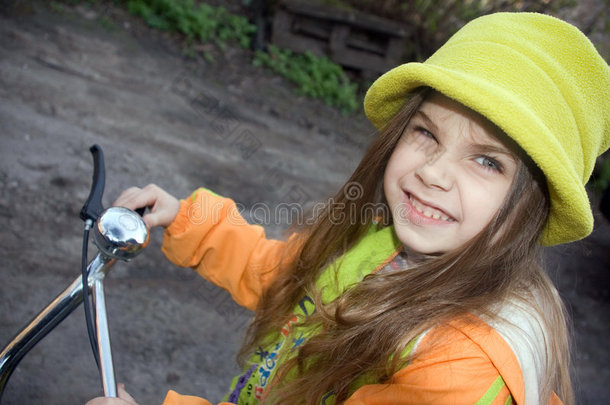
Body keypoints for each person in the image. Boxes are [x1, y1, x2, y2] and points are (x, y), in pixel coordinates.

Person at [87, 12, 610, 405]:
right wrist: (187, 219)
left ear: (530, 209)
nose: (432, 172)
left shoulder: (458, 369)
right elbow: (284, 279)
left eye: (487, 161)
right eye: (426, 132)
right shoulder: (384, 245)